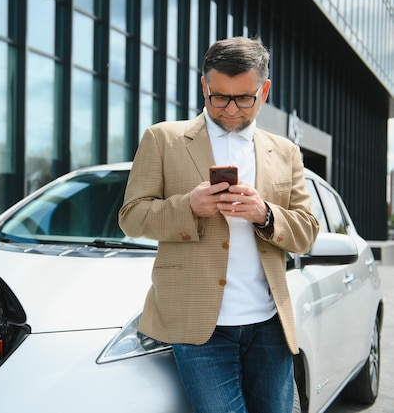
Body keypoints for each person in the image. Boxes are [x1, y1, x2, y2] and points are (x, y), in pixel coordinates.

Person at [118, 36, 319, 413]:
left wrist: (265, 213)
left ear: (265, 90)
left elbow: (307, 231)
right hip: (198, 327)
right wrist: (188, 206)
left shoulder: (286, 151)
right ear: (204, 86)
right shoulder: (163, 139)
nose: (230, 109)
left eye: (244, 98)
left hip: (270, 325)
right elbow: (131, 216)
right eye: (219, 97)